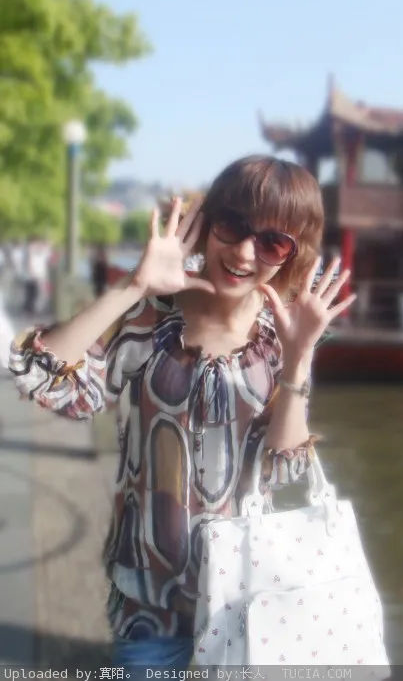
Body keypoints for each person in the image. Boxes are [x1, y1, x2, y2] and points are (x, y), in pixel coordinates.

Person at [8, 156, 355, 669]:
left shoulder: (280, 338)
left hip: (247, 596)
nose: (243, 252)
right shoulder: (151, 319)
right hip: (149, 598)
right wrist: (133, 286)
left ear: (292, 254)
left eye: (272, 242)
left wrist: (299, 358)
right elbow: (44, 377)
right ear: (207, 222)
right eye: (231, 225)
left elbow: (283, 467)